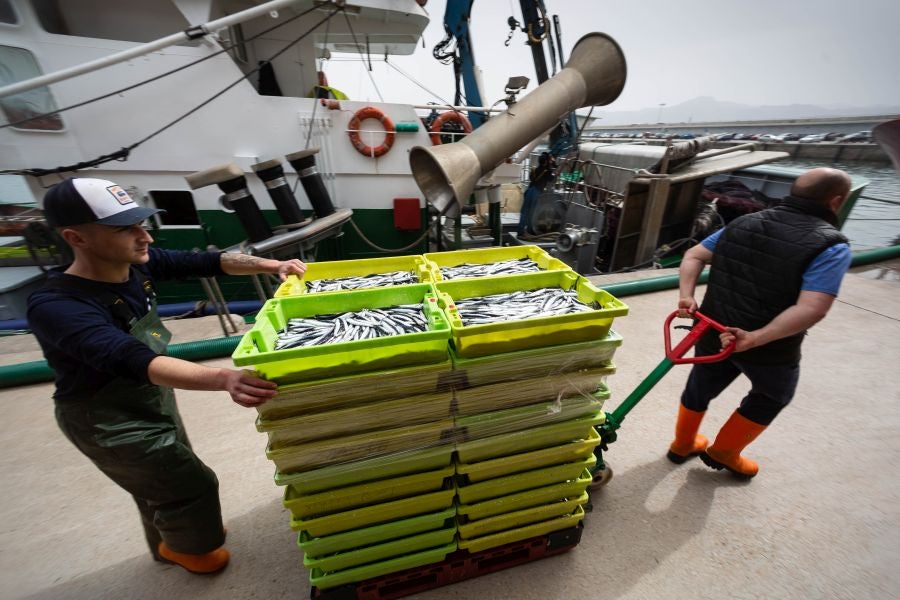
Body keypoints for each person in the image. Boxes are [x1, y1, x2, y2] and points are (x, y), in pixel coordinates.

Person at [26, 178, 306, 574]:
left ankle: (169, 541)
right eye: (125, 228)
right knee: (188, 483)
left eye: (141, 223)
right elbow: (129, 357)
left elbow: (208, 262)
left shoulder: (133, 264)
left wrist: (272, 264)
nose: (144, 236)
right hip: (102, 415)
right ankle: (192, 550)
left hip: (150, 394)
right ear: (77, 237)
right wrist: (223, 378)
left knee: (156, 478)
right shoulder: (58, 305)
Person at [667, 167, 853, 479]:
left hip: (714, 328)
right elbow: (813, 309)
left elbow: (693, 256)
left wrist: (687, 296)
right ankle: (725, 452)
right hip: (769, 347)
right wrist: (757, 337)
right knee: (772, 395)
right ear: (836, 202)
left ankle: (683, 443)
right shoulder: (830, 245)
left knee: (702, 383)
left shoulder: (743, 221)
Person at [517, 152, 556, 237]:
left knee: (524, 212)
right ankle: (530, 231)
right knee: (532, 212)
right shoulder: (547, 171)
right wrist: (553, 163)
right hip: (536, 192)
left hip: (529, 190)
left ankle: (520, 231)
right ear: (546, 161)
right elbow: (552, 179)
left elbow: (532, 178)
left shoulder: (534, 169)